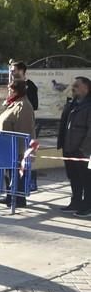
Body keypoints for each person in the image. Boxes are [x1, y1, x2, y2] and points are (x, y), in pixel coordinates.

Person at [0, 79, 36, 207]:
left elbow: (24, 129)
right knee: (9, 174)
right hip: (8, 147)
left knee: (18, 174)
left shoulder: (24, 106)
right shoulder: (14, 103)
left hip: (17, 148)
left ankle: (18, 199)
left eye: (10, 89)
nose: (9, 91)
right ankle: (10, 196)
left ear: (16, 90)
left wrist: (22, 152)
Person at [57, 77, 91, 216]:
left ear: (86, 88)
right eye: (73, 85)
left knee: (86, 179)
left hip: (83, 150)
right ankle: (76, 202)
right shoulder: (72, 104)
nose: (73, 88)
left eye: (77, 85)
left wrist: (84, 148)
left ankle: (87, 206)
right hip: (69, 148)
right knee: (74, 177)